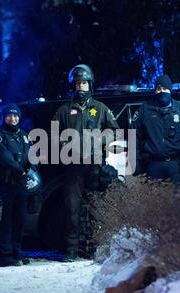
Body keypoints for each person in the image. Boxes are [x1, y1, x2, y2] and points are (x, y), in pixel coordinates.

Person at [52, 64, 119, 261]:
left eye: (84, 83)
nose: (81, 86)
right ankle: (72, 250)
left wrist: (102, 140)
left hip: (95, 165)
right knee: (72, 210)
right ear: (73, 85)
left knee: (95, 208)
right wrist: (64, 142)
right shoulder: (64, 111)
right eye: (78, 83)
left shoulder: (100, 108)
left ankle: (95, 249)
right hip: (73, 166)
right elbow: (53, 135)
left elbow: (114, 130)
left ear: (90, 84)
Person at [0, 104, 33, 267]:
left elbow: (31, 156)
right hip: (4, 184)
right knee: (5, 222)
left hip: (20, 185)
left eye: (16, 115)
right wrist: (19, 170)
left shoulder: (23, 136)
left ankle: (16, 254)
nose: (13, 118)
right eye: (9, 116)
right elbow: (4, 157)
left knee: (20, 221)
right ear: (4, 117)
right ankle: (5, 257)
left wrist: (31, 171)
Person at [134, 75, 180, 186]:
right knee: (154, 201)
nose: (161, 91)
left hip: (176, 166)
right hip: (153, 164)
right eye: (158, 89)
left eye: (165, 88)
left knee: (176, 201)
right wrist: (136, 163)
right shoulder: (145, 109)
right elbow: (136, 136)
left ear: (170, 90)